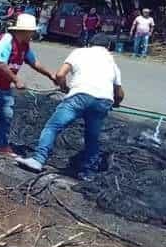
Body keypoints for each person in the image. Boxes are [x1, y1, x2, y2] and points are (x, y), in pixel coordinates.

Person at [16, 46, 125, 180]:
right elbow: (119, 94)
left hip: (79, 97)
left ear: (90, 44)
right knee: (92, 137)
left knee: (53, 127)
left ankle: (38, 159)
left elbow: (60, 74)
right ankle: (88, 172)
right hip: (103, 101)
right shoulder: (111, 63)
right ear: (107, 48)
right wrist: (115, 103)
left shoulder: (79, 52)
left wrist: (64, 87)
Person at [0, 14, 57, 157]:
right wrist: (16, 80)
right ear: (23, 31)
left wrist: (51, 75)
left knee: (7, 115)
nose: (33, 34)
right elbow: (1, 64)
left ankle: (1, 145)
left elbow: (35, 63)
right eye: (31, 31)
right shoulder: (5, 41)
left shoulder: (24, 46)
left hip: (3, 85)